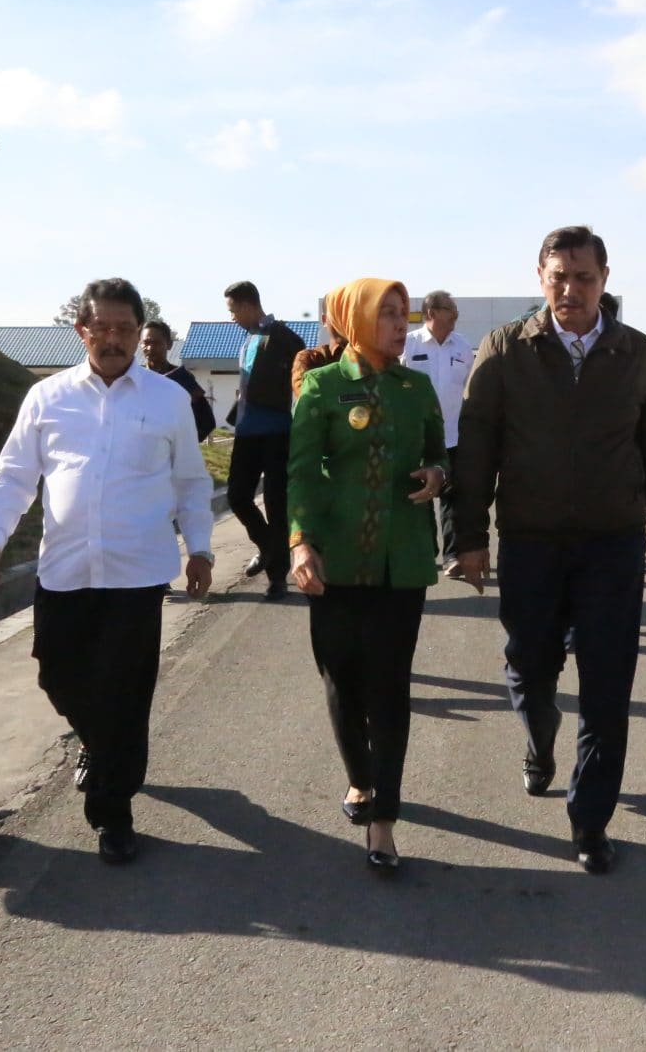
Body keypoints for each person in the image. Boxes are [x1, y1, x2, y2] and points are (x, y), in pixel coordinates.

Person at [454, 225, 646, 874]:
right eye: (558, 276)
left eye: (583, 277)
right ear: (540, 277)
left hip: (612, 543)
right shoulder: (506, 348)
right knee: (529, 665)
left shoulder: (636, 353)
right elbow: (476, 446)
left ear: (604, 280)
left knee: (608, 684)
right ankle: (540, 737)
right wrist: (469, 535)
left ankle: (590, 820)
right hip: (530, 539)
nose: (570, 289)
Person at [0, 278, 215, 865]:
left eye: (124, 329)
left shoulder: (166, 400)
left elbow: (190, 480)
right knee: (57, 674)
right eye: (100, 328)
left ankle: (114, 810)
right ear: (80, 330)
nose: (112, 339)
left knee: (127, 694)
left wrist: (201, 549)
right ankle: (98, 745)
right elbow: (14, 475)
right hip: (67, 568)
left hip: (138, 572)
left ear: (141, 333)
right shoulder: (48, 397)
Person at [288, 279, 447, 874]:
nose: (401, 325)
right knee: (340, 677)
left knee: (390, 688)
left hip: (401, 563)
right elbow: (300, 473)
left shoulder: (418, 387)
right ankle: (359, 776)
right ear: (354, 319)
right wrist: (301, 543)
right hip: (335, 558)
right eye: (387, 315)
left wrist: (437, 473)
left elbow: (440, 453)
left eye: (403, 315)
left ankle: (384, 819)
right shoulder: (323, 386)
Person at [224, 281, 305, 600]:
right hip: (246, 432)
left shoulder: (285, 337)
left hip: (277, 432)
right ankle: (270, 548)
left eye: (232, 310)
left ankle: (277, 577)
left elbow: (303, 379)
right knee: (237, 496)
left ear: (247, 305)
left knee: (276, 504)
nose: (231, 317)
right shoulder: (247, 341)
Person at [405, 290, 473, 575]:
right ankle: (427, 551)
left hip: (453, 435)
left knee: (452, 498)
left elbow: (470, 387)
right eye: (450, 309)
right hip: (416, 438)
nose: (455, 315)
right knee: (421, 496)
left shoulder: (463, 346)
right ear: (431, 313)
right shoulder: (408, 344)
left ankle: (452, 556)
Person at [141, 319, 216, 443]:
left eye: (156, 343)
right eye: (146, 342)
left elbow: (206, 422)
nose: (150, 348)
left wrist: (183, 444)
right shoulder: (135, 379)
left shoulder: (181, 379)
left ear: (169, 344)